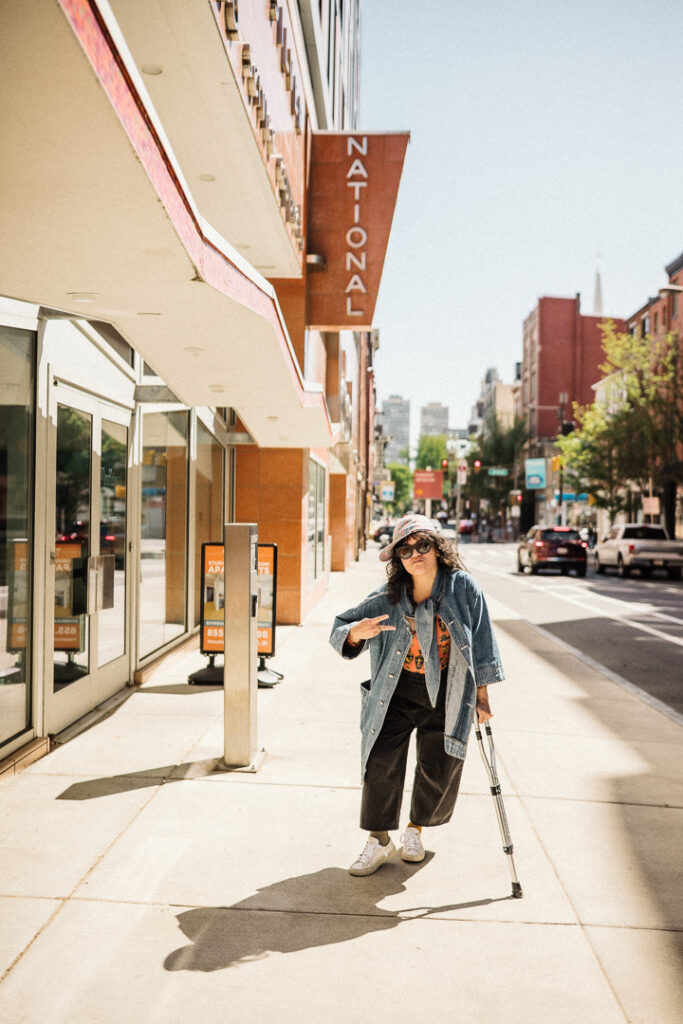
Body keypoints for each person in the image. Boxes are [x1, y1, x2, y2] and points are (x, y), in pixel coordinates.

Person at [329, 513, 505, 876]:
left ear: (437, 548)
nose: (415, 554)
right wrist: (356, 634)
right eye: (405, 550)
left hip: (447, 692)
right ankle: (379, 840)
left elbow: (482, 640)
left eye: (422, 545)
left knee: (438, 766)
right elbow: (342, 627)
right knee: (380, 760)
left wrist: (482, 697)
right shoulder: (389, 596)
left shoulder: (462, 588)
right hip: (396, 691)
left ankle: (415, 830)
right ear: (398, 559)